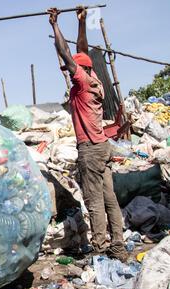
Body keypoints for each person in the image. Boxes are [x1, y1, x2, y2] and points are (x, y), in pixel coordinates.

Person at [48, 7, 128, 262]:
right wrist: (81, 22)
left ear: (77, 70)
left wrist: (55, 25)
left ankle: (101, 250)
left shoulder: (81, 81)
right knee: (110, 200)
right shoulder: (95, 80)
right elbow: (82, 50)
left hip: (91, 150)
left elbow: (66, 51)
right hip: (103, 146)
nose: (68, 72)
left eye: (70, 69)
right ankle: (119, 247)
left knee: (95, 201)